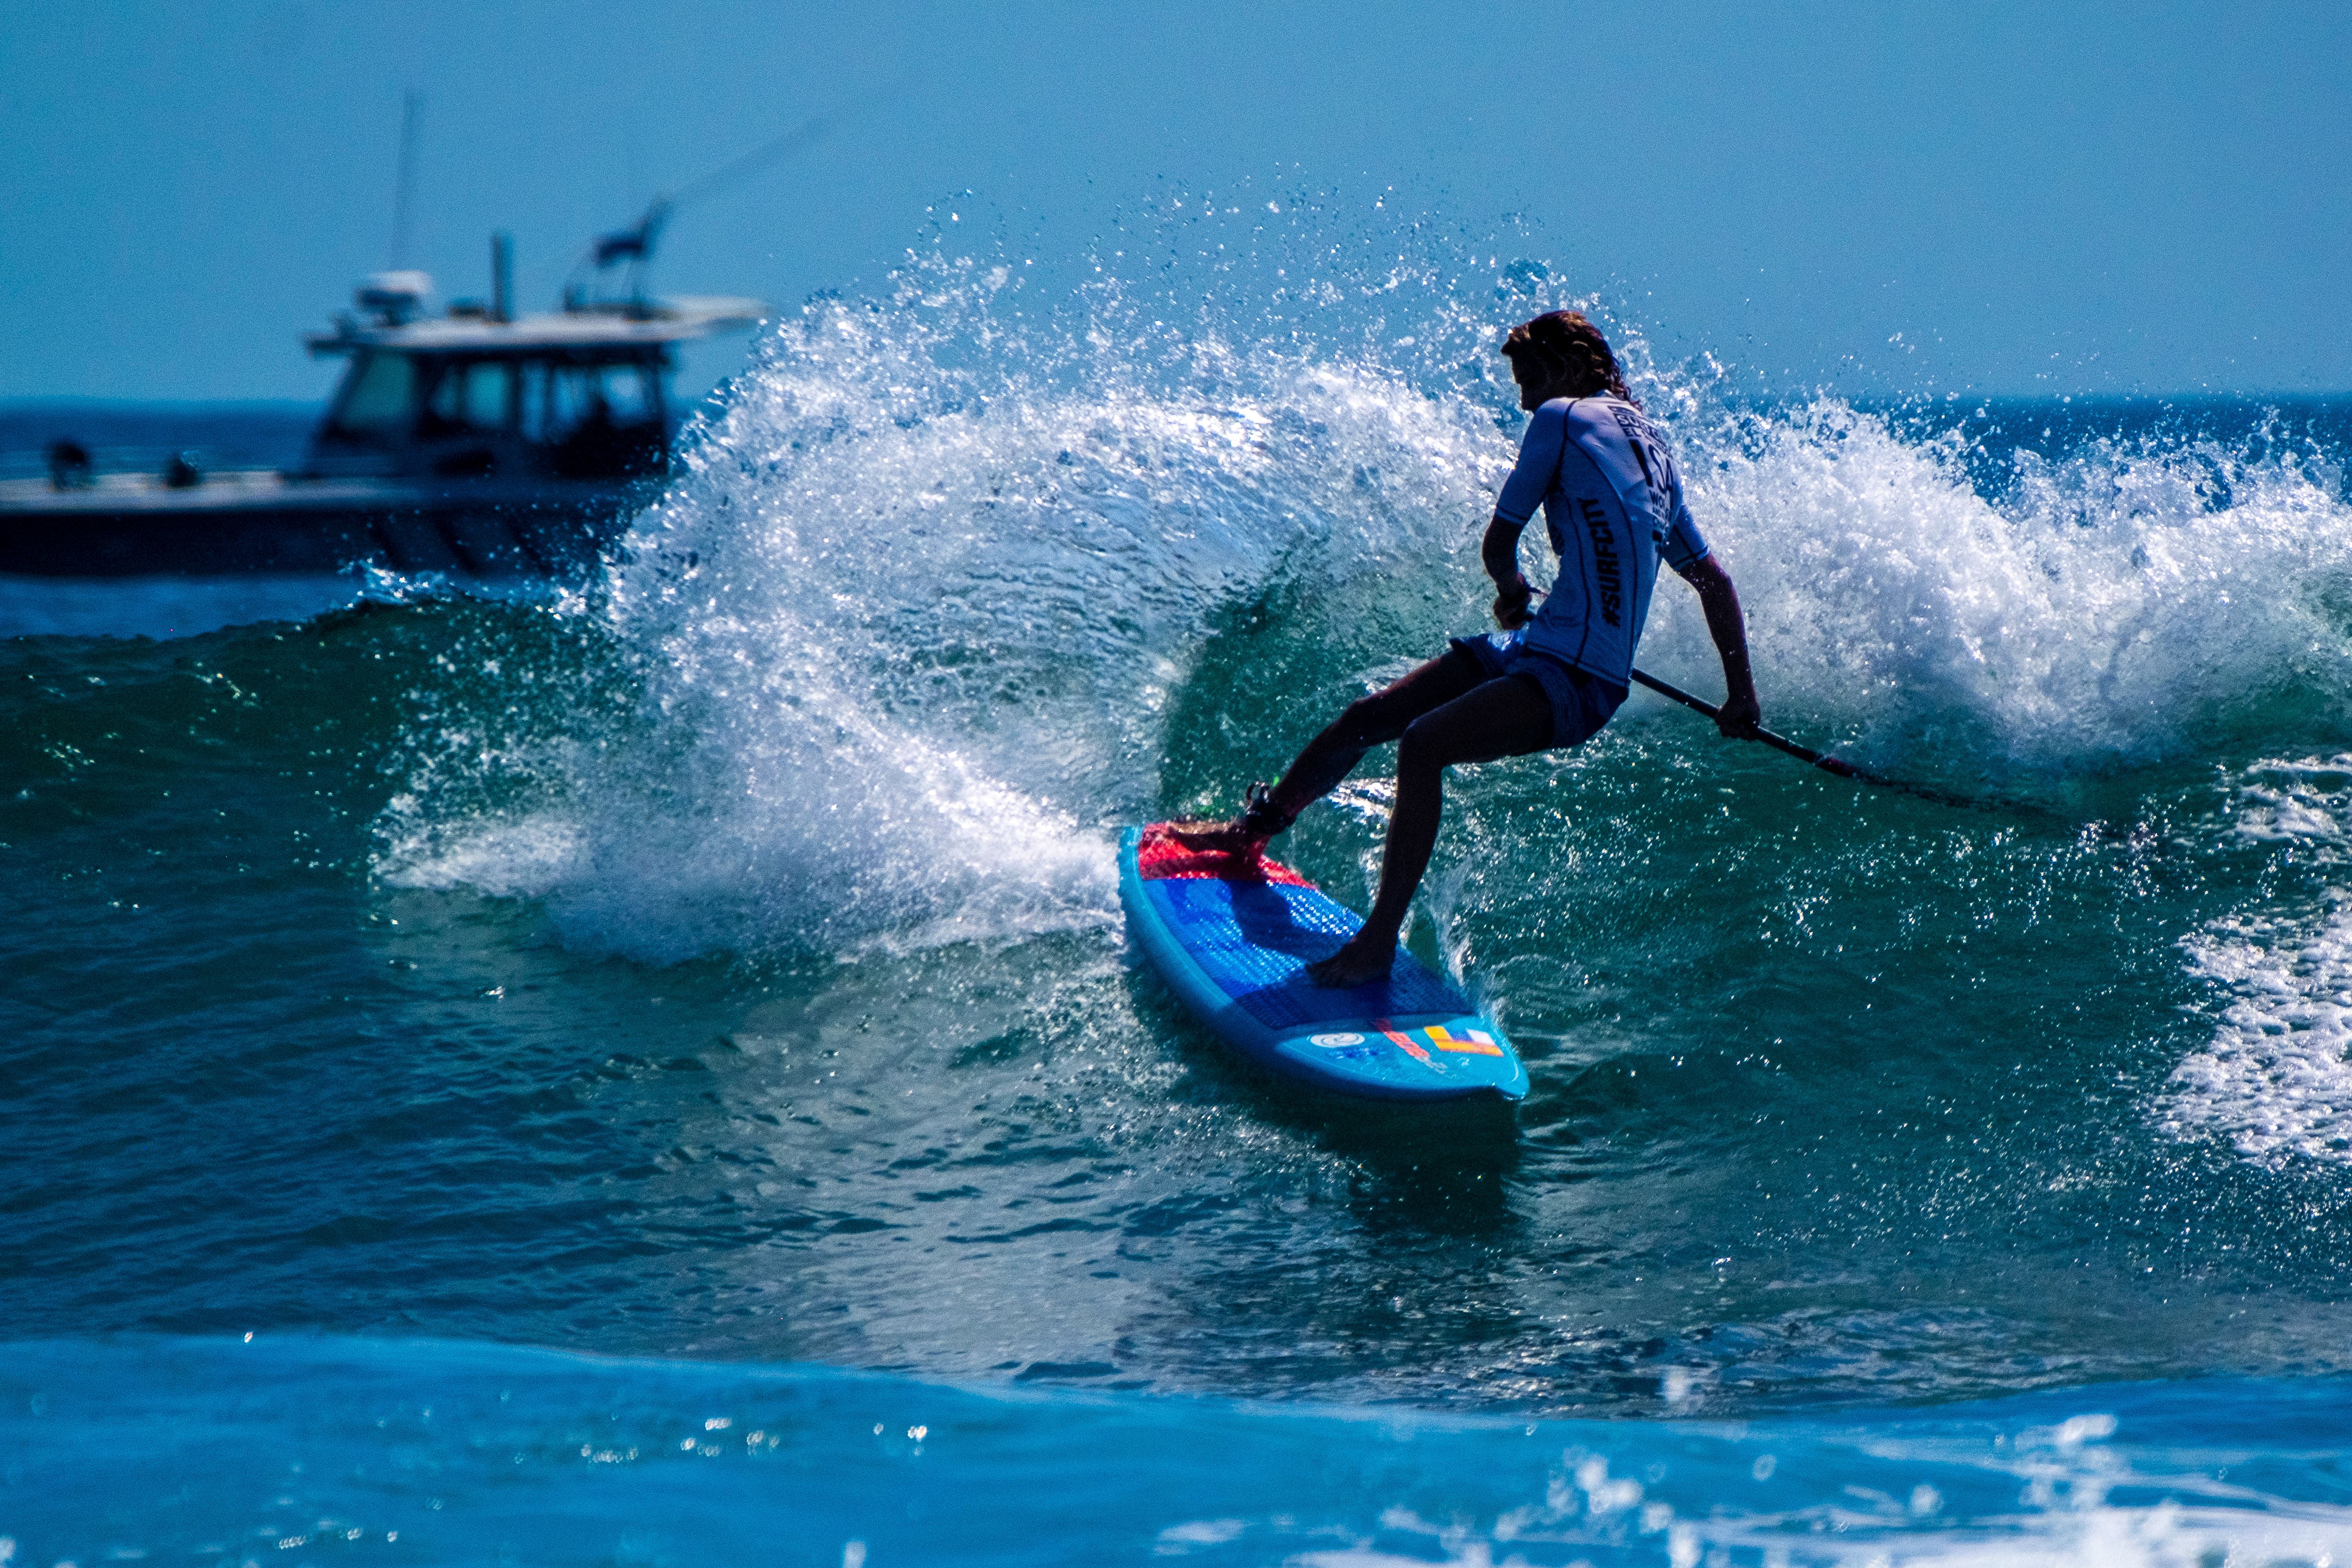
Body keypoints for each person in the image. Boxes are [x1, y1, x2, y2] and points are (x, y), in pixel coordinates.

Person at [1176, 309, 1762, 987]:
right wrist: (1740, 694)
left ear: (1571, 368)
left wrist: (1511, 588)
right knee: (1371, 716)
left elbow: (1499, 544)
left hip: (1571, 675)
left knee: (1421, 743)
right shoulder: (1655, 448)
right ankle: (1249, 835)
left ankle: (1374, 945)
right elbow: (1713, 581)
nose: (1524, 401)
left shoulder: (1563, 419)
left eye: (1531, 379)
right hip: (1547, 650)